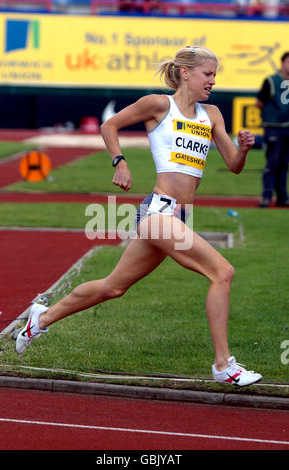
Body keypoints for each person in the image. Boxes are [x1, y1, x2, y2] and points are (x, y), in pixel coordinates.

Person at [16, 46, 262, 387]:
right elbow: (109, 125)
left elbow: (234, 166)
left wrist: (245, 149)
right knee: (222, 271)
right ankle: (224, 364)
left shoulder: (213, 115)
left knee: (113, 287)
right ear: (187, 73)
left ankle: (41, 319)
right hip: (158, 211)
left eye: (216, 75)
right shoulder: (159, 105)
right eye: (208, 74)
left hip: (180, 216)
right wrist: (120, 162)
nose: (213, 81)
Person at [256, 51, 289, 208]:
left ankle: (283, 198)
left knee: (284, 164)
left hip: (287, 127)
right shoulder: (271, 80)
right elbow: (259, 102)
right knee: (272, 163)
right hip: (274, 127)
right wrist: (268, 117)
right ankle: (266, 197)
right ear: (282, 63)